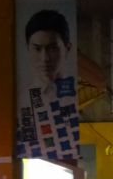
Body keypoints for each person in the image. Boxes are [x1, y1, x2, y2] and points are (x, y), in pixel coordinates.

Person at [17, 9, 78, 159]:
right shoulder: (20, 100)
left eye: (52, 49)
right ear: (28, 49)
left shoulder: (76, 96)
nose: (45, 58)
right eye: (37, 49)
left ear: (67, 48)